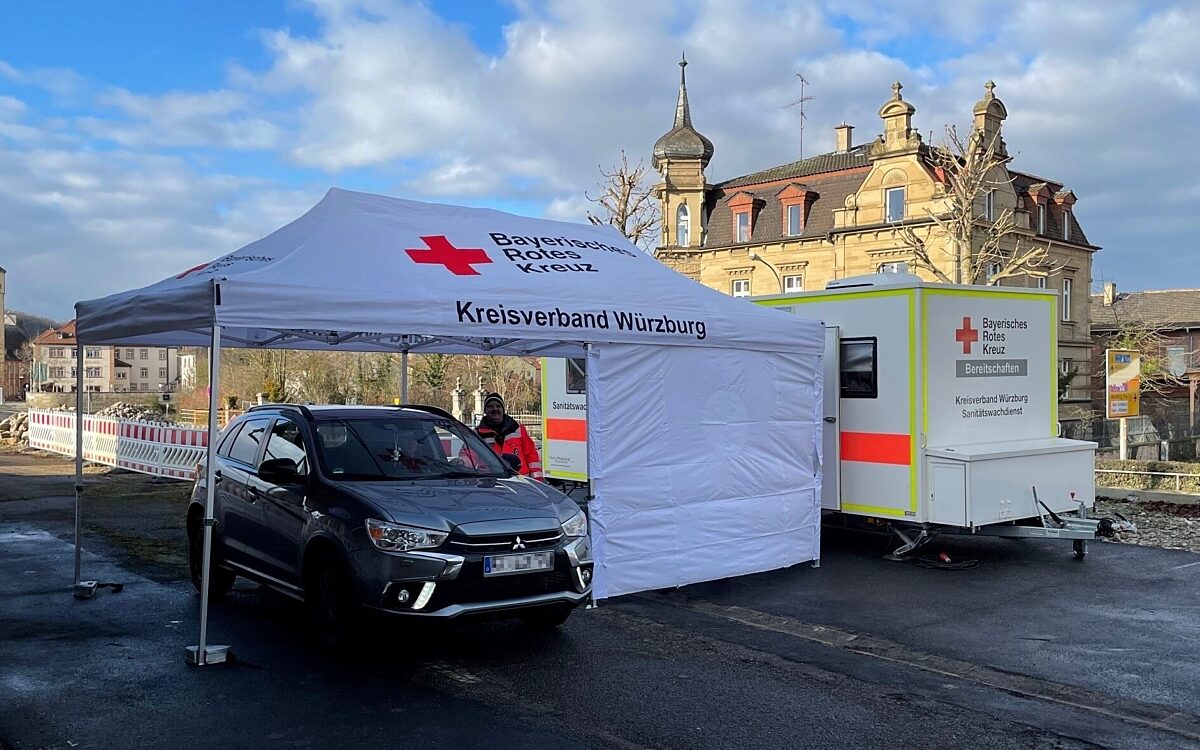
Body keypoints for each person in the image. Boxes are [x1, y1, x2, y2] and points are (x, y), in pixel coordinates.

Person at [475, 392, 543, 481]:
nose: (495, 409)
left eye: (498, 406)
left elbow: (532, 456)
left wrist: (537, 480)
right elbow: (468, 455)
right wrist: (461, 462)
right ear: (485, 410)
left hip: (522, 482)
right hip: (492, 484)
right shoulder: (477, 434)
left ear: (503, 410)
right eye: (490, 406)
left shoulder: (518, 429)